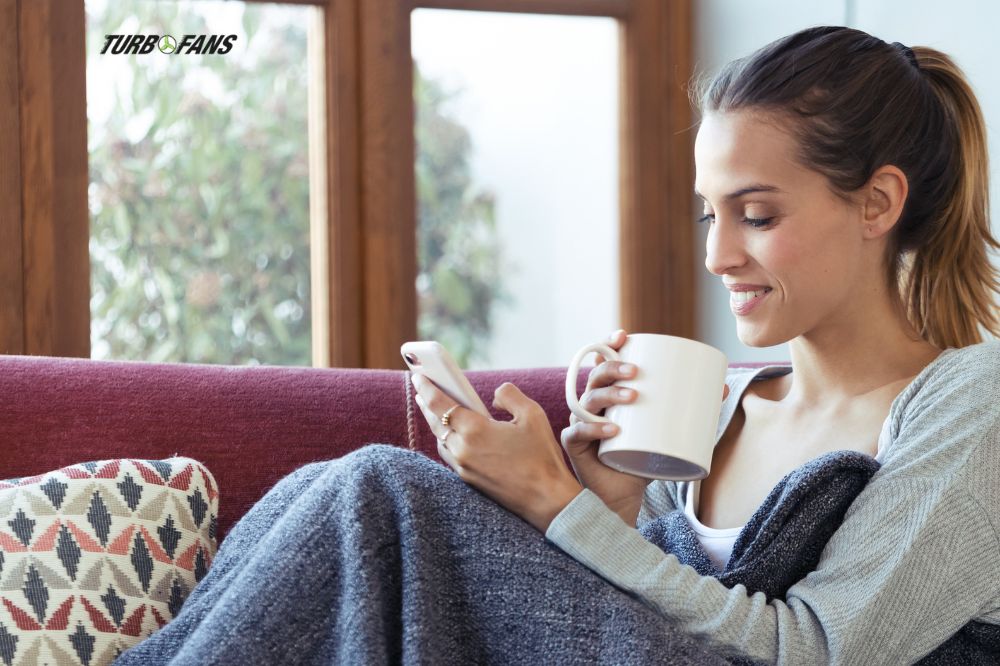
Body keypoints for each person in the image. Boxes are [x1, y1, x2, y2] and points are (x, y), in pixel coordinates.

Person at [115, 26, 1000, 665]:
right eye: (710, 214)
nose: (717, 254)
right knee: (348, 492)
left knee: (380, 492)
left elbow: (824, 648)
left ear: (879, 204)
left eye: (757, 215)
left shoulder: (970, 399)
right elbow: (641, 614)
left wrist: (552, 504)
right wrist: (611, 505)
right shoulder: (729, 403)